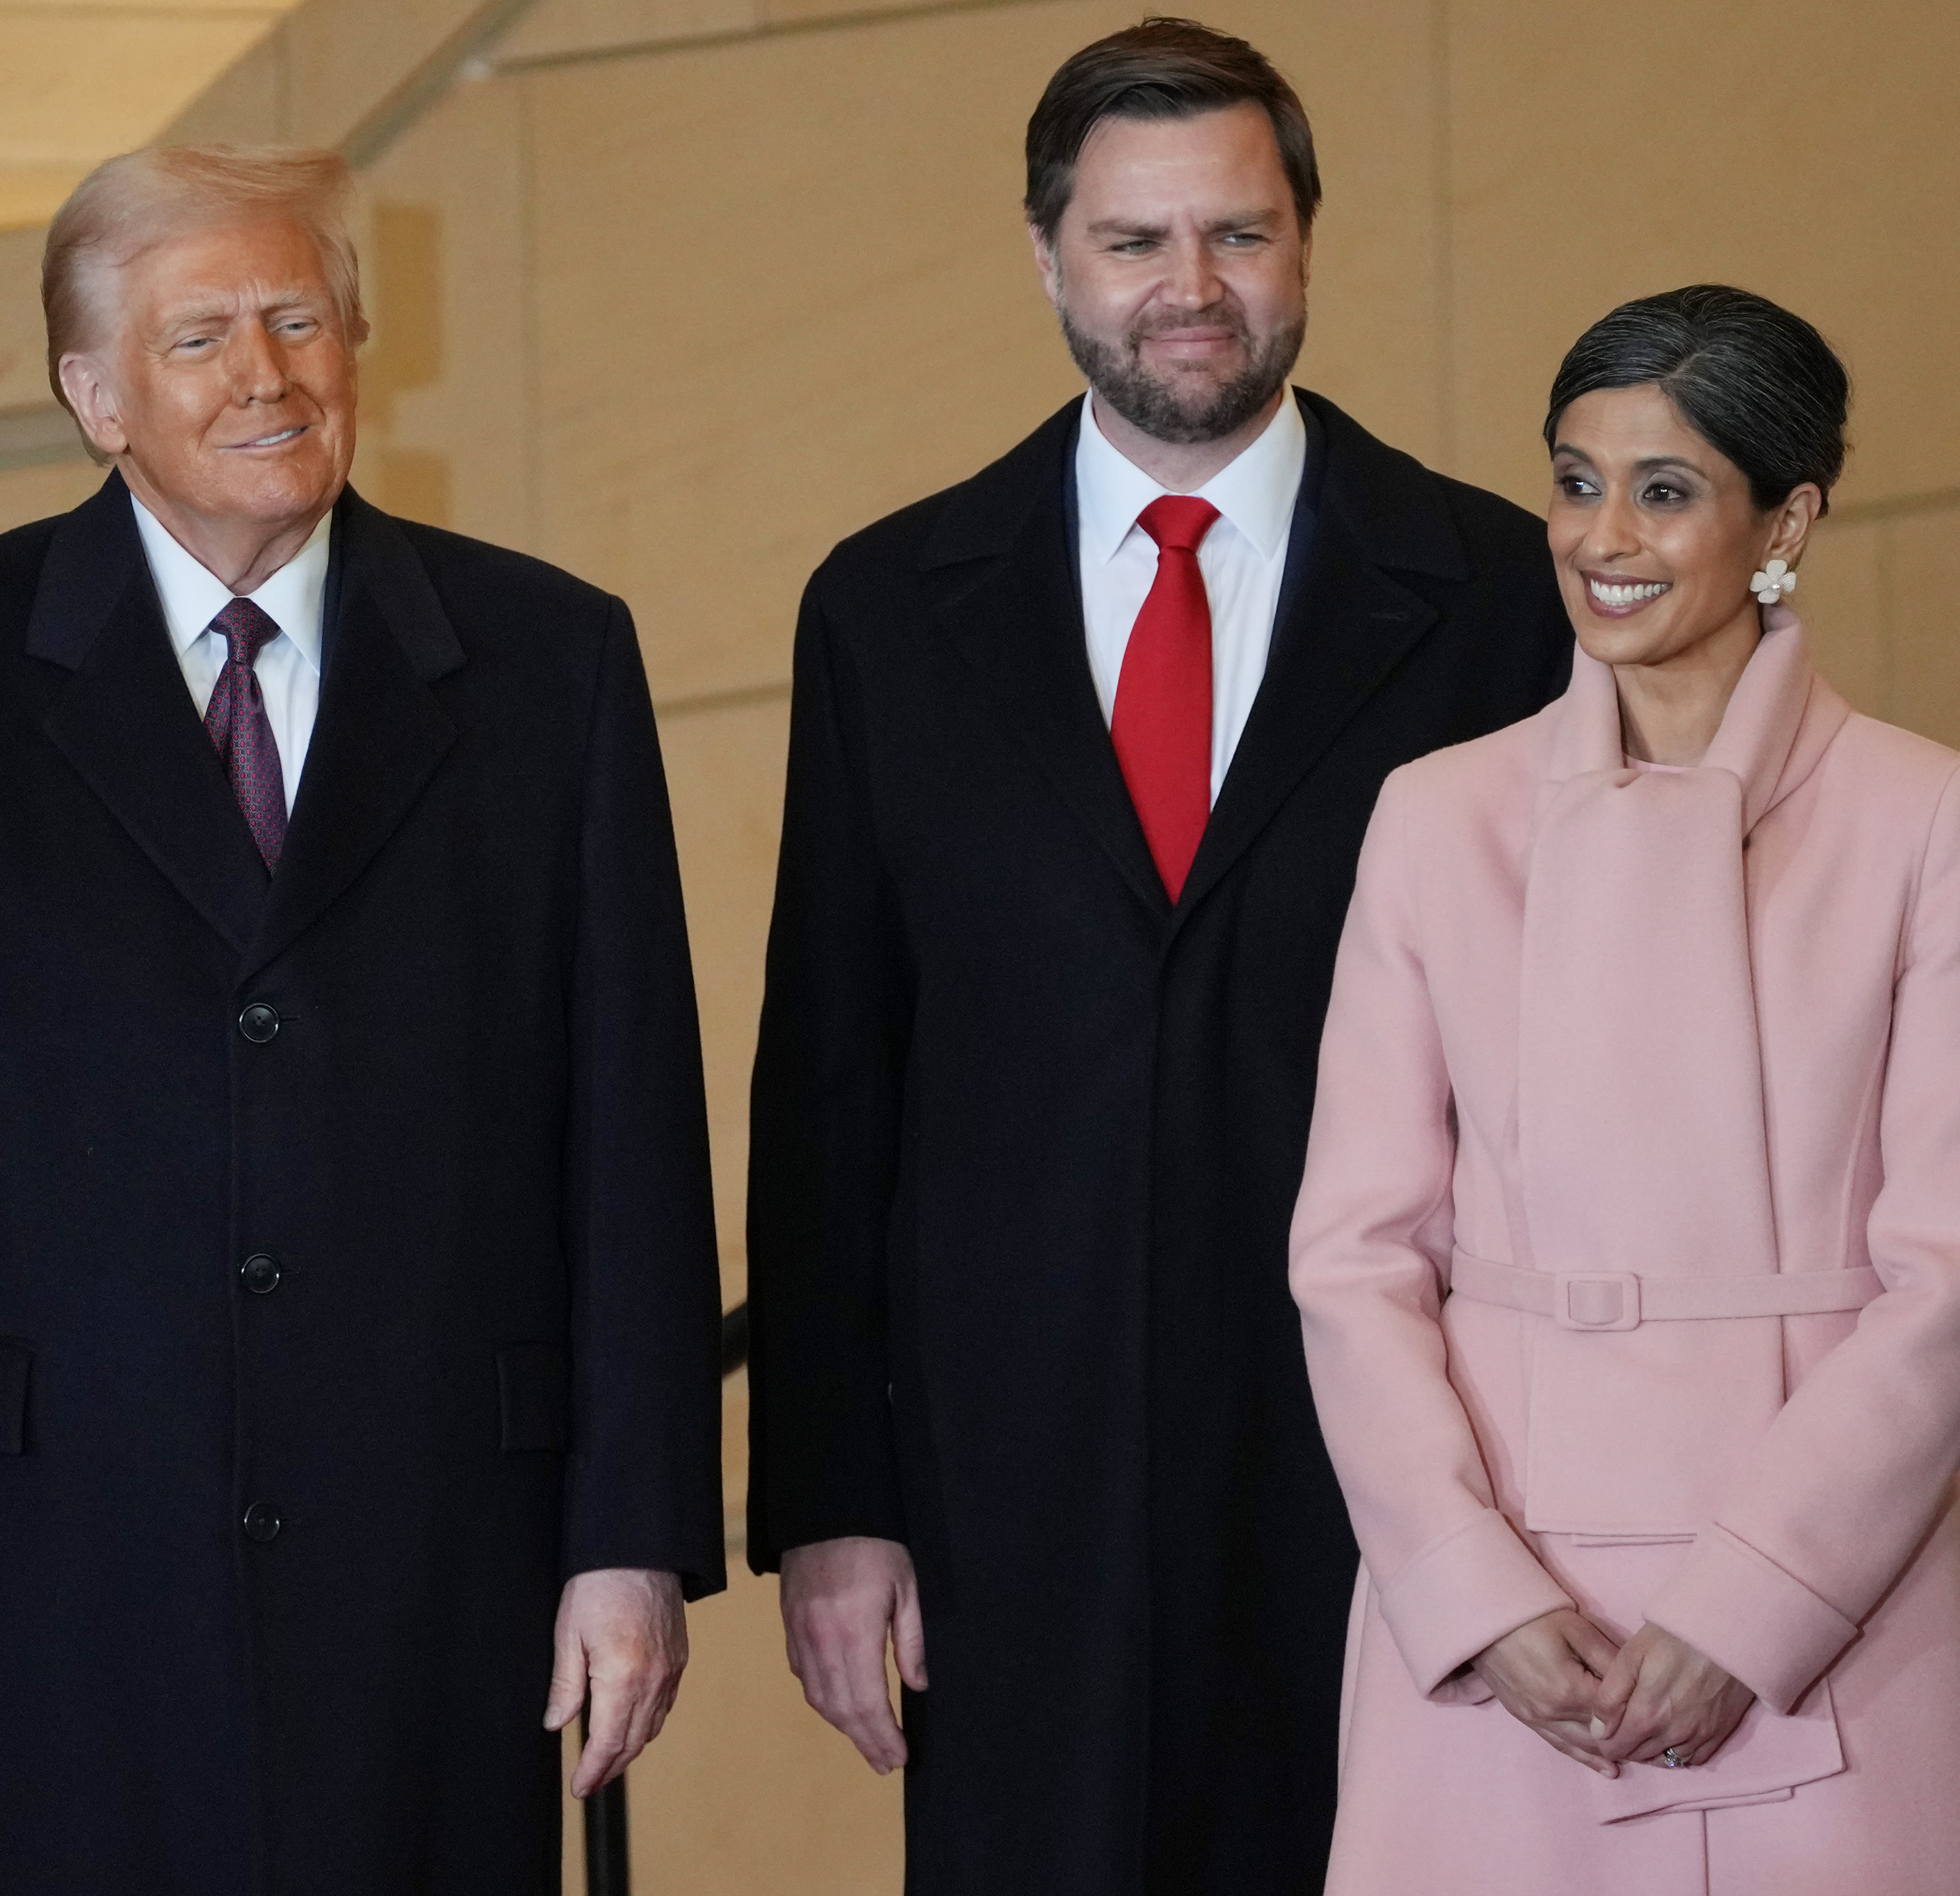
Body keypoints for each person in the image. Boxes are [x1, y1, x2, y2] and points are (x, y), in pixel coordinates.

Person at [0, 145, 725, 1894]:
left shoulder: (550, 658)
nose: (266, 374)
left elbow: (629, 1130)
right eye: (201, 340)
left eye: (296, 320)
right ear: (93, 394)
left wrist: (632, 1536)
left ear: (353, 342)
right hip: (17, 1578)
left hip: (435, 1575)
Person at [745, 21, 1576, 1892]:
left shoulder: (1498, 601)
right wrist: (830, 1509)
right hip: (1007, 1502)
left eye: (1237, 234)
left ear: (1306, 243)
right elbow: (826, 1089)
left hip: (1397, 1486)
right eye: (1134, 243)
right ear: (1048, 256)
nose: (1189, 291)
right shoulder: (887, 611)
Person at [1288, 284, 1960, 1893]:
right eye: (1572, 479)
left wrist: (1753, 1597)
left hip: (1823, 1611)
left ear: (1789, 516)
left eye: (1665, 487)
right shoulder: (1434, 817)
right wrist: (1470, 1587)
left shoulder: (1921, 819)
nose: (1598, 534)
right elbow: (1352, 1254)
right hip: (1505, 1613)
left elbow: (1951, 1271)